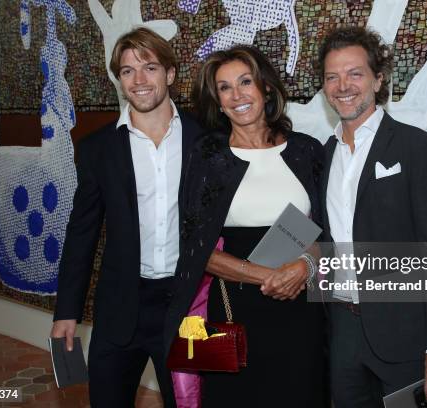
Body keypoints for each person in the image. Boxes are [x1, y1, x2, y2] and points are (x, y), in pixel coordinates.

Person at [164, 45, 327, 407]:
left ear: (265, 87)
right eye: (224, 88)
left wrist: (304, 267)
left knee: (302, 394)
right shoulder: (208, 156)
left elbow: (325, 230)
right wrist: (265, 277)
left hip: (301, 308)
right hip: (234, 308)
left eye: (245, 81)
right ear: (217, 101)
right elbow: (195, 248)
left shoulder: (307, 150)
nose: (236, 95)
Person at [50, 27, 201, 408]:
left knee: (194, 404)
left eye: (149, 67)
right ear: (119, 80)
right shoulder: (97, 149)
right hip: (120, 308)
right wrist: (66, 311)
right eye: (128, 71)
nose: (139, 80)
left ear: (170, 73)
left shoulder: (207, 139)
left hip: (191, 307)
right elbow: (81, 232)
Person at [318, 27, 427, 407]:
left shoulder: (420, 150)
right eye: (332, 76)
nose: (342, 85)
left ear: (378, 79)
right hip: (343, 330)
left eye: (355, 74)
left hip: (407, 335)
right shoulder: (325, 154)